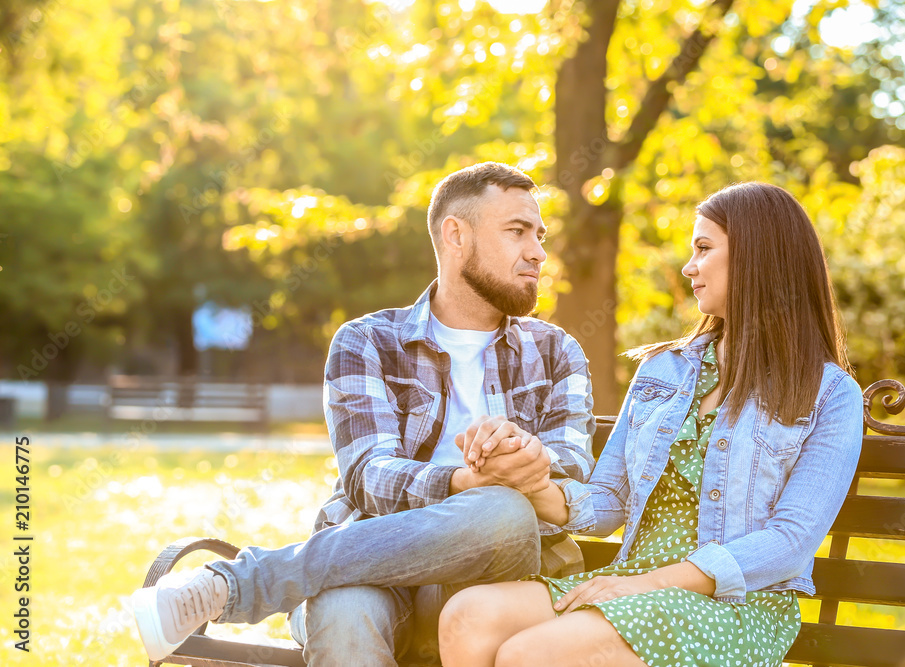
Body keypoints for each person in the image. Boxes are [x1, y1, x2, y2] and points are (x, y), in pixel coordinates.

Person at [132, 162, 595, 666]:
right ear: (456, 235)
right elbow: (367, 476)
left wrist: (525, 460)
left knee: (503, 510)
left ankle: (236, 584)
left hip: (503, 576)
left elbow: (572, 470)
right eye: (517, 231)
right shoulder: (367, 342)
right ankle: (248, 585)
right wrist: (463, 481)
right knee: (342, 608)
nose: (538, 251)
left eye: (539, 235)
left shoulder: (556, 351)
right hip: (375, 571)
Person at [438, 181, 865, 667]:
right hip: (632, 580)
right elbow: (608, 502)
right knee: (468, 616)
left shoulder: (830, 395)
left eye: (704, 248)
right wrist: (529, 478)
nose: (689, 267)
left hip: (734, 607)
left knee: (530, 655)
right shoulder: (665, 371)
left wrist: (643, 585)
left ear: (757, 257)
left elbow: (789, 543)